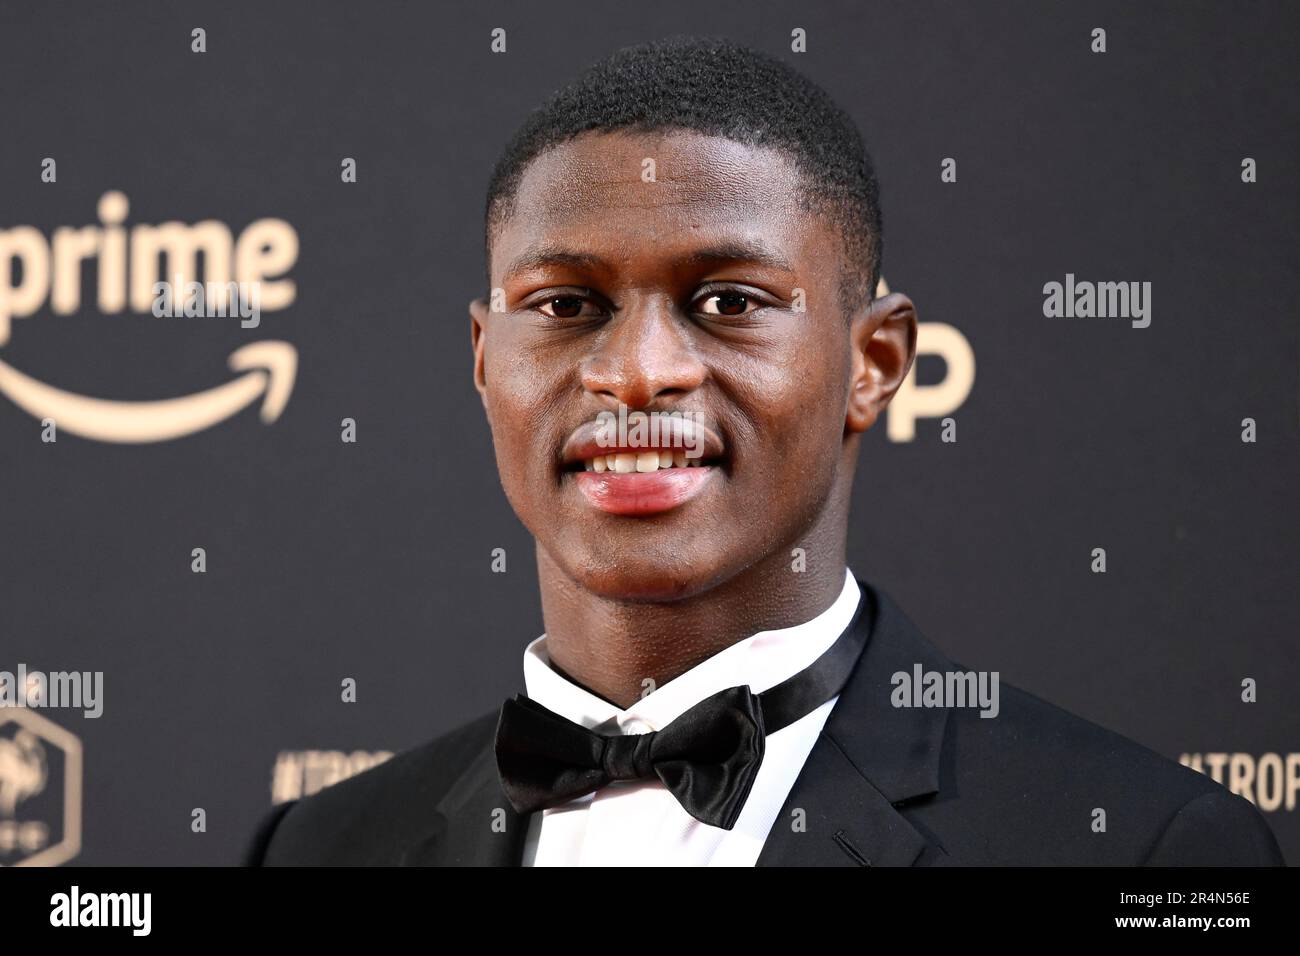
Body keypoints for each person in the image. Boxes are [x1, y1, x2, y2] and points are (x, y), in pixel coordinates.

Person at [247, 37, 1283, 866]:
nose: (638, 371)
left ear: (872, 361)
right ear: (485, 361)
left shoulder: (1140, 846)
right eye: (565, 304)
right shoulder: (320, 846)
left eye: (728, 301)